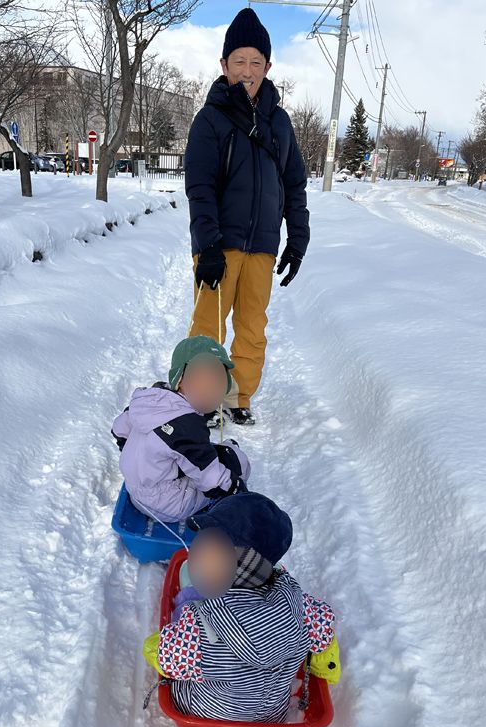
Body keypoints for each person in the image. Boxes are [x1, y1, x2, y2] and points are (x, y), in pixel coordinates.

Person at [185, 7, 310, 427]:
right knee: (208, 327)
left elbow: (294, 185)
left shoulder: (281, 123)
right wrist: (208, 245)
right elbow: (200, 187)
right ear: (224, 65)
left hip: (262, 247)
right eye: (239, 60)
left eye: (256, 62)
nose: (247, 70)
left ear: (268, 67)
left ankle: (238, 398)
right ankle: (202, 400)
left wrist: (297, 240)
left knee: (253, 327)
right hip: (219, 246)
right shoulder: (210, 119)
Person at [142, 493, 340, 723]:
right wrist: (327, 671)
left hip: (206, 712)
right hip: (272, 715)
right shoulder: (302, 609)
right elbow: (325, 636)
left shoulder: (200, 628)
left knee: (181, 653)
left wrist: (153, 644)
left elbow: (165, 657)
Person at [111, 336, 251, 524]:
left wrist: (144, 461)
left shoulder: (149, 400)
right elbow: (210, 479)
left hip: (136, 492)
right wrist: (235, 487)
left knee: (191, 454)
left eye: (218, 382)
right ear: (181, 380)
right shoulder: (186, 425)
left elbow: (119, 430)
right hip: (170, 506)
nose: (212, 391)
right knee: (235, 457)